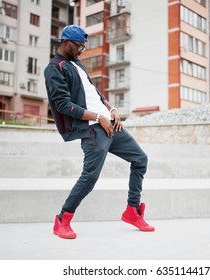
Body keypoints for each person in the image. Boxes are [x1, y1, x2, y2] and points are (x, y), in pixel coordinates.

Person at [44, 25, 155, 239]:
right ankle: (62, 219)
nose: (81, 51)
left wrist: (111, 109)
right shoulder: (54, 68)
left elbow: (94, 92)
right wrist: (98, 117)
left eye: (83, 47)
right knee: (90, 177)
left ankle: (132, 211)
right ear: (65, 42)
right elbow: (62, 105)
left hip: (108, 123)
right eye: (78, 46)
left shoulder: (77, 63)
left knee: (140, 159)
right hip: (92, 128)